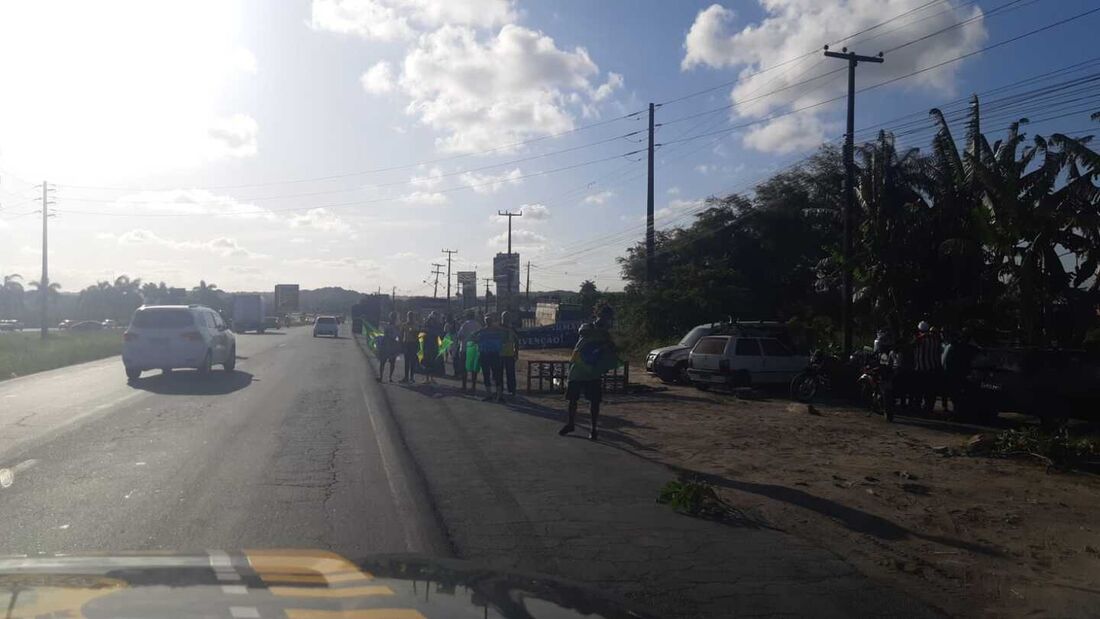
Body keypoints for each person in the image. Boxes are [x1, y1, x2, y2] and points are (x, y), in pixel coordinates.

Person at [560, 310, 618, 441]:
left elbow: (612, 351)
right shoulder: (588, 328)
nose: (602, 322)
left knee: (594, 402)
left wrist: (606, 342)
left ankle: (593, 428)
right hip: (578, 369)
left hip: (592, 371)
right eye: (601, 319)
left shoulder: (605, 337)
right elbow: (582, 331)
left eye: (605, 320)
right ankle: (571, 424)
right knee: (573, 400)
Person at [474, 313, 507, 402]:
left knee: (489, 375)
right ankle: (497, 395)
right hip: (493, 354)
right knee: (495, 375)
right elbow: (504, 339)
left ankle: (492, 395)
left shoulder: (483, 331)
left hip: (487, 354)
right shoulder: (496, 331)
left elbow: (474, 338)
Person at [913, 320, 942, 413]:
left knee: (919, 390)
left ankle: (919, 407)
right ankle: (928, 407)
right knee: (930, 391)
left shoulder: (920, 339)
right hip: (932, 368)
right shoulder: (935, 339)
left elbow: (912, 343)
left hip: (921, 369)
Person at [456, 310, 482, 393]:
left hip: (464, 348)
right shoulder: (478, 325)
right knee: (474, 369)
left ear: (467, 316)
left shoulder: (465, 324)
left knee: (464, 368)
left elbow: (459, 336)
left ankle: (464, 386)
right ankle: (473, 386)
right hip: (474, 348)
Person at [500, 310, 521, 399]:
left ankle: (512, 390)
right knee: (499, 373)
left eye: (507, 318)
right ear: (502, 318)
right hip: (500, 354)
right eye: (505, 318)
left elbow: (517, 341)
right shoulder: (498, 328)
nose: (506, 319)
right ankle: (500, 389)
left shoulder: (512, 329)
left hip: (509, 354)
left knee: (510, 373)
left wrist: (516, 352)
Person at [378, 311, 400, 382]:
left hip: (391, 344)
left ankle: (389, 377)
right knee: (383, 361)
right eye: (392, 317)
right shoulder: (387, 325)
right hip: (387, 343)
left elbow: (397, 335)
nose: (392, 318)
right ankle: (382, 377)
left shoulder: (396, 326)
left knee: (391, 362)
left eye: (393, 317)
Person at [399, 311, 420, 384]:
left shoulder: (416, 325)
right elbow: (401, 334)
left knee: (412, 362)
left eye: (411, 316)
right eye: (409, 316)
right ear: (407, 316)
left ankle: (411, 377)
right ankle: (406, 377)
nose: (410, 317)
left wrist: (414, 333)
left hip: (413, 344)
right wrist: (401, 344)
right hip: (406, 343)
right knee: (406, 361)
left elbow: (418, 335)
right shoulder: (404, 324)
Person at [421, 311, 441, 384]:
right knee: (427, 362)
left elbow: (438, 336)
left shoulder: (436, 327)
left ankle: (431, 378)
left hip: (433, 347)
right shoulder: (426, 327)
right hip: (427, 346)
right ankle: (427, 378)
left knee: (432, 363)